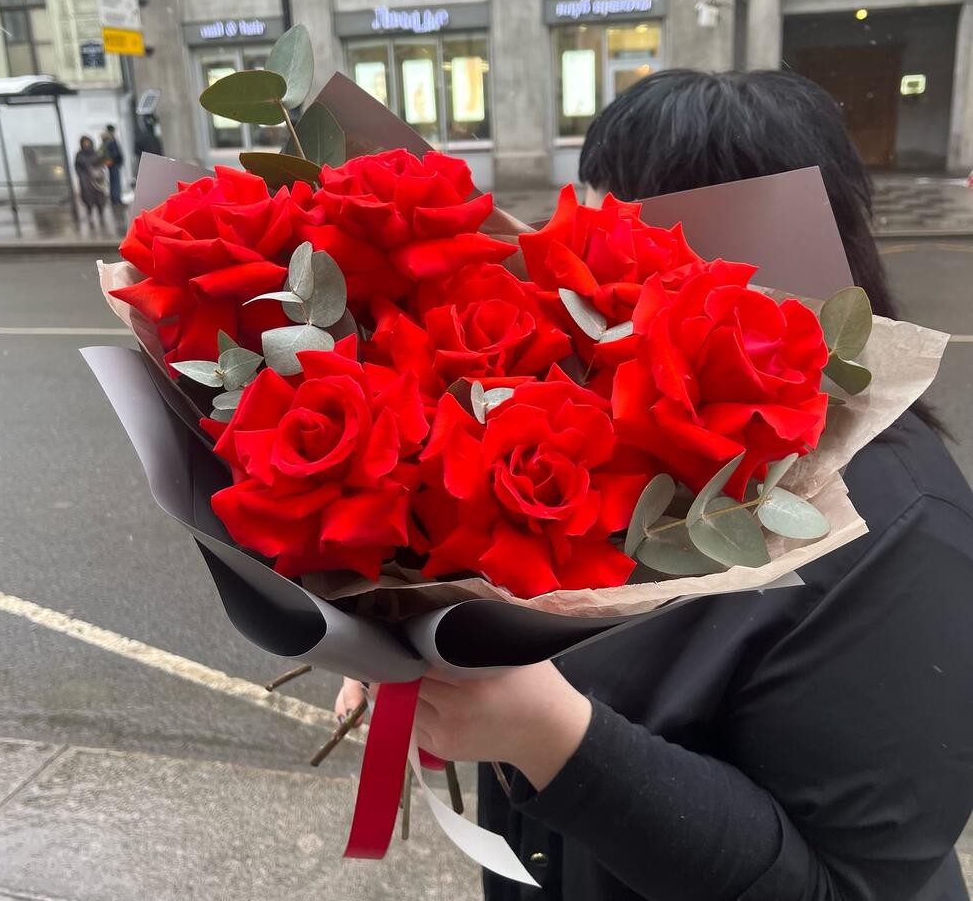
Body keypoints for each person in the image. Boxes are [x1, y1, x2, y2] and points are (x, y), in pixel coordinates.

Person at [338, 71, 973, 900]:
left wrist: (553, 736)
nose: (580, 265)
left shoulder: (909, 530)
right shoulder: (609, 426)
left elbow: (846, 885)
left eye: (627, 230)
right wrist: (404, 624)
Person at [74, 135, 107, 225]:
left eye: (87, 142)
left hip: (96, 179)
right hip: (85, 179)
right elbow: (77, 166)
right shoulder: (79, 154)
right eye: (84, 143)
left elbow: (101, 164)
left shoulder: (95, 153)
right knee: (88, 197)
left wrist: (99, 172)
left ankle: (101, 214)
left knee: (99, 197)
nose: (86, 144)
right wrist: (81, 175)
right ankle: (90, 214)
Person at [99, 124, 124, 207]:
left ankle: (114, 200)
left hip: (110, 164)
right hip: (114, 163)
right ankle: (117, 200)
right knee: (116, 182)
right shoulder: (111, 139)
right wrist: (118, 159)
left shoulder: (105, 139)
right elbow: (115, 153)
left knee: (113, 181)